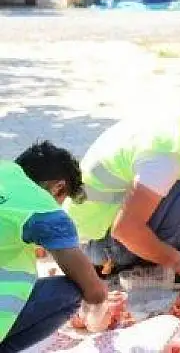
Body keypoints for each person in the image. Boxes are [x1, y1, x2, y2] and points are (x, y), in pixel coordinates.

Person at [66, 96, 180, 286]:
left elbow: (169, 182)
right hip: (97, 246)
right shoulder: (166, 157)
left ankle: (156, 252)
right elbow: (124, 229)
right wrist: (177, 261)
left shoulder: (174, 127)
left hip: (89, 228)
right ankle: (145, 264)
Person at [0, 141, 119, 353]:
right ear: (59, 187)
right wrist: (96, 319)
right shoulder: (43, 209)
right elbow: (94, 292)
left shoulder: (4, 172)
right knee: (70, 290)